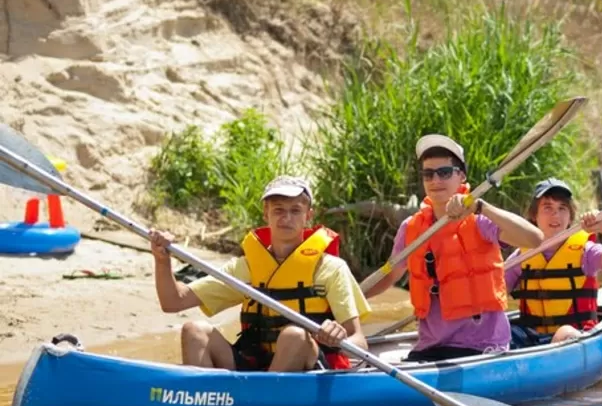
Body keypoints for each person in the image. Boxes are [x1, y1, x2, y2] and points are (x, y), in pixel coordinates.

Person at [149, 175, 371, 372]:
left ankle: (261, 405)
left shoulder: (331, 268)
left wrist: (338, 337)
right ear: (266, 213)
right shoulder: (246, 267)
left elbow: (359, 342)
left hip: (308, 369)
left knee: (294, 336)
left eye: (295, 211)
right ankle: (203, 404)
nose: (287, 218)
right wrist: (162, 259)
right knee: (194, 331)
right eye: (278, 210)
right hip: (257, 363)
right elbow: (173, 301)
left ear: (308, 216)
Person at [364, 134, 545, 361]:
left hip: (481, 345)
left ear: (461, 176)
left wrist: (482, 206)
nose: (435, 180)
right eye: (428, 174)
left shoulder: (480, 220)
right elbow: (389, 276)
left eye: (445, 172)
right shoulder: (411, 228)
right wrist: (345, 302)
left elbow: (535, 239)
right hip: (431, 346)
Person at [505, 177, 602, 347]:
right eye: (548, 208)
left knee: (565, 332)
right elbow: (496, 294)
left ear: (570, 217)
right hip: (532, 339)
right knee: (500, 328)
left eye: (562, 208)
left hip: (576, 337)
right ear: (534, 215)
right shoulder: (521, 257)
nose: (556, 215)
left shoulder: (586, 253)